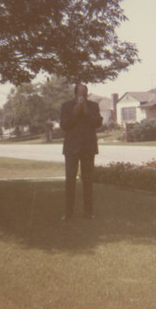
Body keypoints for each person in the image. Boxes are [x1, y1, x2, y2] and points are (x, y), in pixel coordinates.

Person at [60, 84, 103, 220]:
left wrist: (86, 112)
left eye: (85, 95)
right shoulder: (66, 106)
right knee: (70, 180)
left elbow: (98, 123)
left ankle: (89, 213)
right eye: (80, 95)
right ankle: (68, 213)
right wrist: (75, 113)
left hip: (88, 148)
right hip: (72, 148)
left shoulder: (93, 106)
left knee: (88, 180)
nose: (83, 97)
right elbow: (64, 125)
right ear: (75, 94)